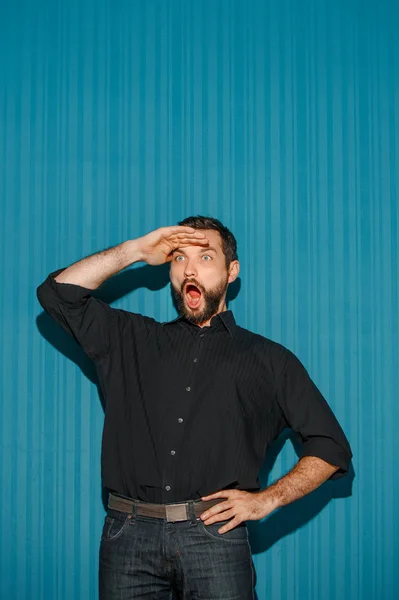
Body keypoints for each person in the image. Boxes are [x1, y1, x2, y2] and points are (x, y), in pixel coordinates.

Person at [36, 215, 352, 599]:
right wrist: (136, 250)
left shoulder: (270, 360)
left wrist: (268, 499)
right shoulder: (132, 339)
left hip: (214, 540)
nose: (189, 269)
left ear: (231, 271)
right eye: (178, 257)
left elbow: (330, 447)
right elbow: (57, 294)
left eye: (205, 257)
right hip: (127, 539)